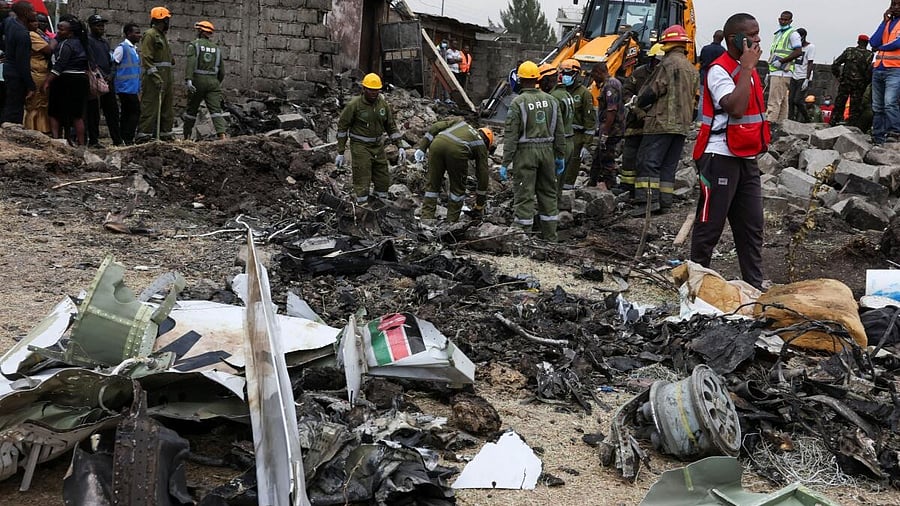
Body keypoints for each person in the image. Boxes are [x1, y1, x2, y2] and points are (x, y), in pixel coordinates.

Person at [691, 12, 770, 291]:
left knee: (751, 226)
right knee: (710, 224)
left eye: (758, 32)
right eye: (751, 34)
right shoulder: (718, 70)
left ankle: (754, 286)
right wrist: (748, 68)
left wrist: (748, 68)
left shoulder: (746, 69)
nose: (757, 39)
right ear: (734, 38)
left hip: (746, 157)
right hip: (719, 157)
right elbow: (734, 107)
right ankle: (696, 282)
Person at [634, 24, 699, 212]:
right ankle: (664, 202)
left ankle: (647, 203)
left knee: (648, 161)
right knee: (668, 165)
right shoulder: (691, 69)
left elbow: (653, 91)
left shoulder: (668, 64)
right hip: (682, 124)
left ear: (667, 43)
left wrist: (638, 103)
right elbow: (696, 100)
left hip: (661, 121)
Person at [499, 60, 565, 242]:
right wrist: (560, 155)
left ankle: (523, 237)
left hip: (526, 153)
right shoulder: (552, 101)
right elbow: (560, 131)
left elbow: (511, 135)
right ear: (537, 78)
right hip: (548, 153)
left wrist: (505, 162)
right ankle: (551, 237)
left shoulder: (518, 102)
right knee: (549, 194)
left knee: (524, 195)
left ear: (520, 80)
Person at [334, 73, 405, 205]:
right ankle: (362, 206)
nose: (374, 93)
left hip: (378, 146)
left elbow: (391, 126)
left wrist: (400, 146)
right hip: (360, 146)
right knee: (362, 175)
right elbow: (342, 128)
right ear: (364, 89)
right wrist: (340, 151)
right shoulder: (354, 105)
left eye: (376, 90)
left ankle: (380, 205)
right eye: (371, 90)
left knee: (382, 176)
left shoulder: (382, 104)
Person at [415, 119, 492, 222]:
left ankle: (426, 219)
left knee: (432, 184)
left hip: (437, 144)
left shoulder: (461, 123)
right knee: (457, 190)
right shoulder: (481, 146)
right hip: (458, 151)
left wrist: (422, 147)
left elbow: (436, 126)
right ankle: (451, 223)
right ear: (487, 143)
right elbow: (483, 176)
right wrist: (479, 204)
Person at [621, 43, 664, 198]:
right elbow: (626, 92)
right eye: (657, 61)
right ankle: (627, 186)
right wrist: (637, 111)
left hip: (655, 126)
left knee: (646, 159)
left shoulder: (666, 76)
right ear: (651, 59)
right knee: (630, 155)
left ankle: (642, 192)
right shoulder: (639, 74)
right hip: (635, 123)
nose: (659, 64)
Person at [43, 17, 90, 145]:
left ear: (70, 32)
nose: (58, 32)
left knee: (54, 111)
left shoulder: (66, 44)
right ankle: (81, 144)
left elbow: (60, 64)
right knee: (77, 115)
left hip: (66, 80)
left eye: (61, 29)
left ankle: (56, 140)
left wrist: (48, 81)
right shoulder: (83, 43)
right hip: (81, 80)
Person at [182, 20, 226, 140]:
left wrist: (189, 80)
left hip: (197, 81)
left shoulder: (194, 45)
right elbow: (222, 71)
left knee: (191, 111)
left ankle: (186, 137)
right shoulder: (216, 49)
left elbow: (191, 63)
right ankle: (222, 136)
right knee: (216, 111)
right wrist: (216, 83)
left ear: (200, 31)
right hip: (213, 82)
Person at [136, 6, 174, 142]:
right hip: (154, 79)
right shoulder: (150, 34)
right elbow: (146, 58)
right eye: (167, 19)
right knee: (150, 107)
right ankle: (144, 136)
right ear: (162, 19)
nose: (168, 23)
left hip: (167, 79)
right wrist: (156, 76)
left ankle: (165, 136)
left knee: (167, 109)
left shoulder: (162, 36)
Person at [538, 63, 574, 199]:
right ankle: (555, 212)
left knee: (550, 184)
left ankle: (548, 214)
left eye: (541, 82)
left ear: (547, 80)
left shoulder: (554, 98)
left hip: (559, 144)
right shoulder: (566, 94)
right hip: (569, 141)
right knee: (559, 184)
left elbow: (550, 126)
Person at [560, 58, 596, 191]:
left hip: (576, 136)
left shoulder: (584, 94)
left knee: (572, 164)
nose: (565, 77)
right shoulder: (560, 91)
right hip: (561, 133)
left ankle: (567, 192)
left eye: (568, 74)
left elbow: (590, 121)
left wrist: (587, 144)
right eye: (564, 74)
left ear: (576, 74)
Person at [86, 14, 121, 147]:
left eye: (102, 25)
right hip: (96, 81)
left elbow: (112, 60)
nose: (101, 28)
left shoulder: (104, 43)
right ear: (91, 26)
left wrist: (111, 74)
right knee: (93, 112)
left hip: (108, 80)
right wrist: (98, 75)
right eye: (97, 25)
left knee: (112, 112)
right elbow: (91, 61)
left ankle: (117, 140)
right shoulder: (88, 41)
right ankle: (94, 140)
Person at [590, 61, 625, 191]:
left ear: (599, 72)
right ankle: (592, 182)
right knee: (598, 156)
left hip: (611, 130)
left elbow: (611, 110)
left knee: (607, 158)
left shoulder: (610, 86)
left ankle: (611, 186)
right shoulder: (611, 84)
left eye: (594, 76)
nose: (593, 79)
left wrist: (605, 132)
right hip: (610, 128)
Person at [0, 1, 34, 124]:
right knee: (15, 109)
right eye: (32, 10)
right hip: (16, 75)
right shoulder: (23, 34)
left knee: (9, 105)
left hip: (8, 70)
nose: (34, 13)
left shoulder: (9, 22)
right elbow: (23, 63)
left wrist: (6, 51)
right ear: (25, 13)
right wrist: (31, 85)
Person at [766, 10, 802, 122]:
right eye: (781, 19)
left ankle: (770, 125)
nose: (783, 21)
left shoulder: (793, 34)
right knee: (783, 102)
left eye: (786, 19)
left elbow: (798, 51)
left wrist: (781, 61)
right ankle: (781, 124)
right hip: (775, 71)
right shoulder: (779, 34)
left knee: (774, 101)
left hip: (782, 71)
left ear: (790, 21)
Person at [831, 34, 873, 127]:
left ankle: (833, 122)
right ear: (867, 43)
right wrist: (865, 83)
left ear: (858, 42)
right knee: (855, 107)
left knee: (839, 103)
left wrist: (839, 77)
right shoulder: (869, 55)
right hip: (859, 85)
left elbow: (835, 64)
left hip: (845, 82)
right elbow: (868, 71)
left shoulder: (849, 51)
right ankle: (852, 126)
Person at [23, 11, 51, 133]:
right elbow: (48, 49)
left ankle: (42, 127)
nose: (39, 24)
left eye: (44, 21)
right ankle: (32, 128)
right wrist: (55, 42)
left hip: (43, 70)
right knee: (35, 102)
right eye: (36, 21)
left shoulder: (41, 35)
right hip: (36, 70)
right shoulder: (32, 35)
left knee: (42, 102)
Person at [113, 22, 141, 144]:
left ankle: (123, 137)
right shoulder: (122, 48)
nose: (139, 35)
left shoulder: (133, 49)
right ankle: (128, 138)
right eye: (136, 33)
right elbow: (114, 64)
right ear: (128, 34)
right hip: (124, 87)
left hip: (132, 87)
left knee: (126, 113)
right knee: (135, 111)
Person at [788, 28, 814, 123]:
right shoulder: (794, 47)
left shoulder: (810, 47)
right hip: (794, 75)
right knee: (790, 100)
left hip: (803, 77)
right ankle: (790, 119)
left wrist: (807, 79)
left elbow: (810, 63)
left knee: (797, 100)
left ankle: (806, 119)